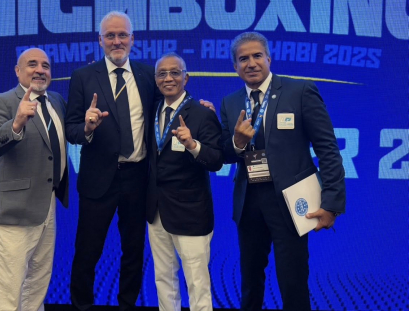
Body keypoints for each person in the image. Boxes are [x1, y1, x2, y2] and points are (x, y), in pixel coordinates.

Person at [219, 32, 346, 311]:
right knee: (250, 283)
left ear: (269, 58)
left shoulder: (299, 91)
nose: (251, 63)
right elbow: (224, 155)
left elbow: (328, 150)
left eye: (257, 56)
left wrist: (332, 204)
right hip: (249, 204)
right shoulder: (230, 102)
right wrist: (237, 142)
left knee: (293, 282)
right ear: (235, 66)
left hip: (291, 203)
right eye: (243, 59)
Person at [65, 11, 162, 311]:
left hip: (137, 178)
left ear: (133, 39)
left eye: (122, 35)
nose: (117, 41)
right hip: (98, 180)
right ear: (100, 40)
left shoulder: (148, 75)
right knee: (87, 252)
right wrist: (87, 128)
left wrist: (200, 109)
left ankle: (127, 306)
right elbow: (70, 129)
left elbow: (168, 110)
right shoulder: (83, 77)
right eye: (110, 36)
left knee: (133, 251)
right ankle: (82, 306)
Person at [0, 48, 69, 311]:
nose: (40, 70)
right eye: (32, 64)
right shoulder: (2, 102)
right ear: (18, 71)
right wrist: (16, 123)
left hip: (47, 207)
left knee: (38, 283)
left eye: (45, 65)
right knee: (10, 287)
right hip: (15, 210)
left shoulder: (56, 101)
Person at [146, 53, 223, 311]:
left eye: (175, 73)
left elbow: (216, 160)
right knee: (163, 279)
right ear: (155, 79)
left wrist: (192, 145)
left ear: (186, 78)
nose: (168, 78)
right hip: (156, 210)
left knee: (197, 283)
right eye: (162, 74)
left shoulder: (202, 114)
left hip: (191, 212)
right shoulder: (152, 110)